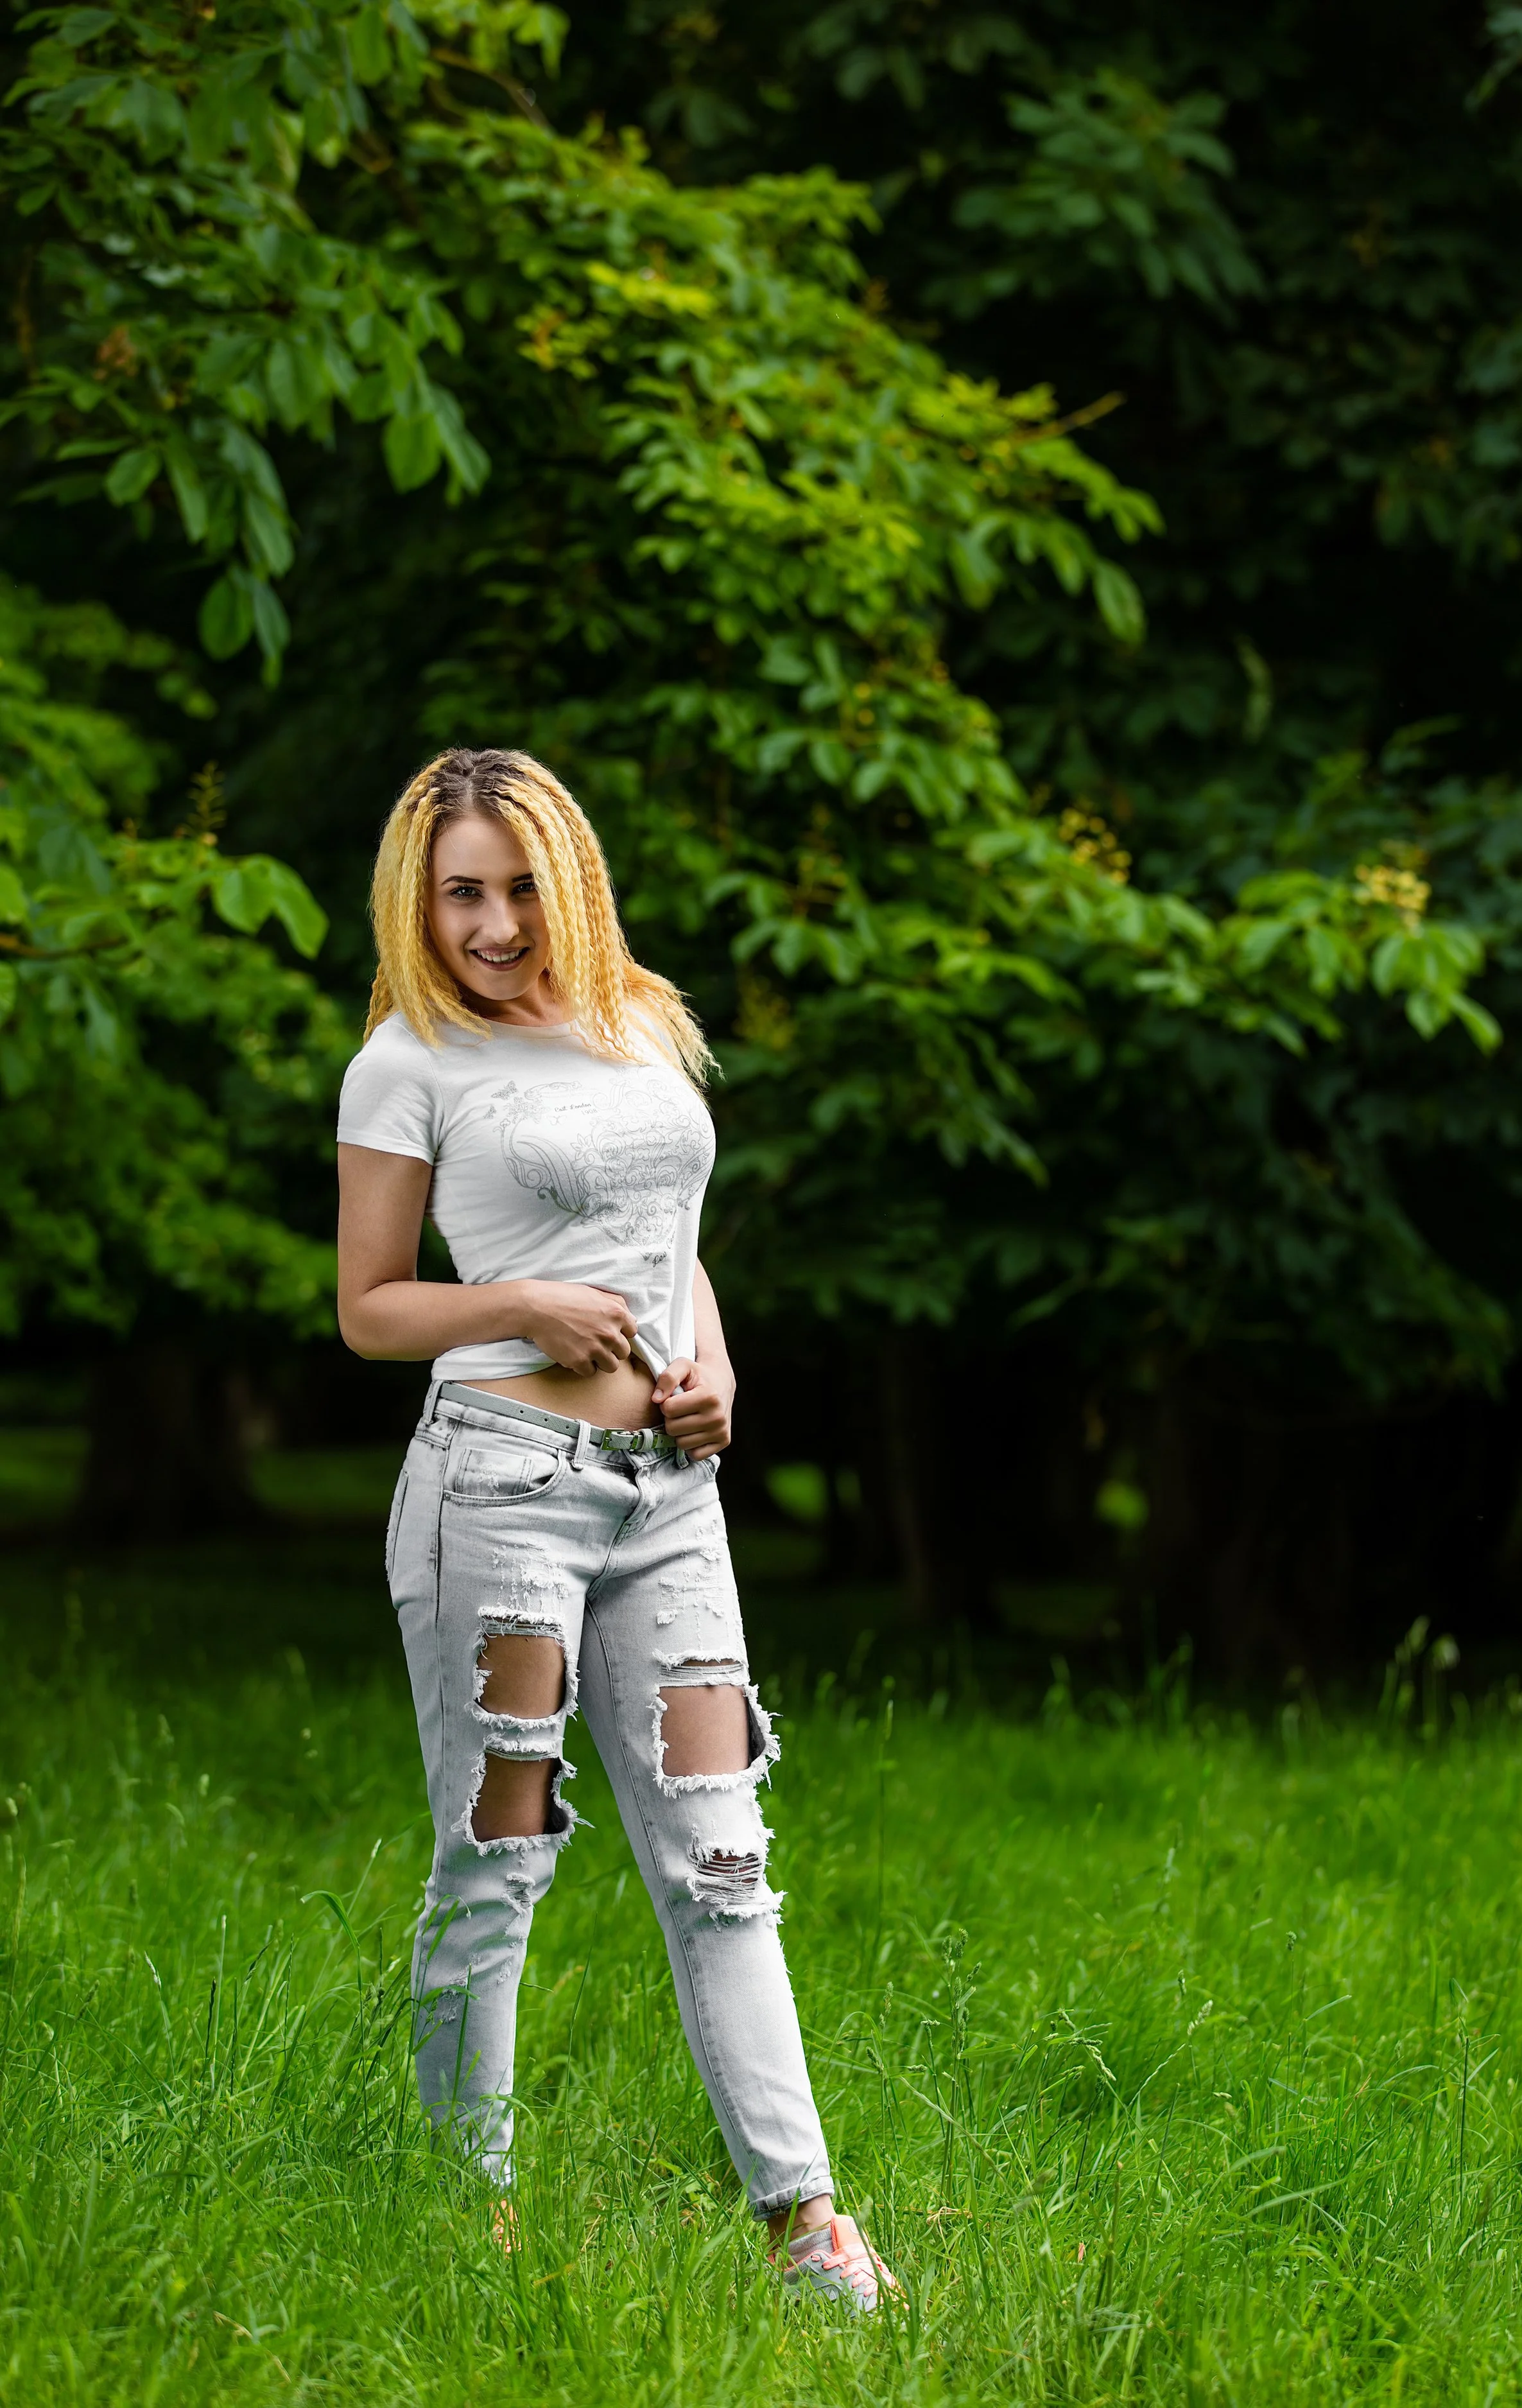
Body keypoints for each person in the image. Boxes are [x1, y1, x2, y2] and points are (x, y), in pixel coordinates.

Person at [335, 748, 897, 2310]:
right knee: (496, 1861)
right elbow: (370, 1308)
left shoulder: (639, 1022)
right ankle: (475, 2228)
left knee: (725, 1862)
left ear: (567, 876)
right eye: (463, 893)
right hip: (498, 1485)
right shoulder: (407, 1060)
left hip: (669, 1502)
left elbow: (670, 1245)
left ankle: (809, 2229)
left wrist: (709, 1366)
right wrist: (519, 1299)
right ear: (418, 901)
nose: (496, 924)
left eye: (520, 886)